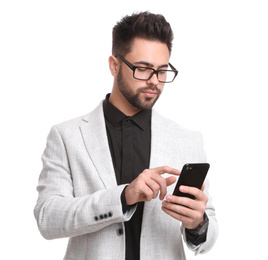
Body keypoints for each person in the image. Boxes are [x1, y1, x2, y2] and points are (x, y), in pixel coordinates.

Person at [34, 11, 218, 260]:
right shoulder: (66, 136)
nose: (155, 81)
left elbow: (208, 230)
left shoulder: (188, 140)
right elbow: (48, 218)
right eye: (143, 69)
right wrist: (123, 196)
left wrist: (198, 224)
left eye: (162, 70)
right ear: (114, 65)